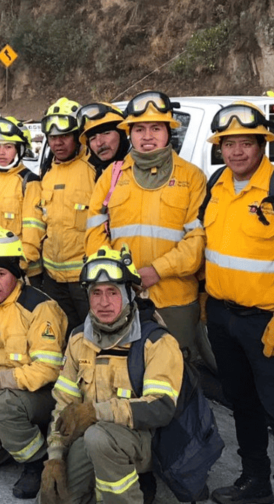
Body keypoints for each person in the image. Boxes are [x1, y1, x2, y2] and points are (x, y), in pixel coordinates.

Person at [201, 103, 274, 504]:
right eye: (229, 144)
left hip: (267, 319)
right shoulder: (216, 186)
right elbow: (209, 250)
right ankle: (254, 481)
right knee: (242, 403)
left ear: (263, 144)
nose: (237, 152)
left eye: (247, 143)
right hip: (223, 316)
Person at [41, 246, 184, 504]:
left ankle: (134, 488)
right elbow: (63, 403)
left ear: (130, 295)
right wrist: (54, 457)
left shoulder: (157, 342)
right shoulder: (77, 339)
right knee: (55, 498)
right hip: (94, 437)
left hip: (146, 441)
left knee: (99, 437)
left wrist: (98, 412)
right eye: (96, 293)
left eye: (112, 292)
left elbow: (161, 408)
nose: (103, 302)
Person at [85, 91, 210, 365]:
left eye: (156, 128)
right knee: (127, 371)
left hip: (175, 300)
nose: (147, 136)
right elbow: (94, 233)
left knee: (177, 374)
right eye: (139, 129)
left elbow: (197, 242)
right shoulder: (112, 175)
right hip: (124, 297)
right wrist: (118, 274)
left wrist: (157, 270)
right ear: (129, 133)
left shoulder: (191, 178)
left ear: (168, 132)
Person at [0, 226, 68, 500]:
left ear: (15, 274)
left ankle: (37, 462)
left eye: (0, 274)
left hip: (46, 396)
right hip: (6, 398)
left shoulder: (39, 308)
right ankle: (22, 436)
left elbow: (48, 370)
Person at [39, 97, 98, 329]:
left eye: (64, 136)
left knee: (93, 335)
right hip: (53, 279)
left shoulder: (94, 169)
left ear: (78, 136)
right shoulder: (48, 172)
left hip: (85, 280)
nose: (58, 143)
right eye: (53, 137)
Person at [0, 118, 46, 283]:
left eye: (8, 147)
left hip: (23, 271)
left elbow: (34, 228)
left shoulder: (28, 181)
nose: (1, 153)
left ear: (20, 149)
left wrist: (21, 265)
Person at [78, 103, 130, 179]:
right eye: (92, 138)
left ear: (122, 134)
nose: (99, 143)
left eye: (106, 133)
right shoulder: (93, 176)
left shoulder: (141, 171)